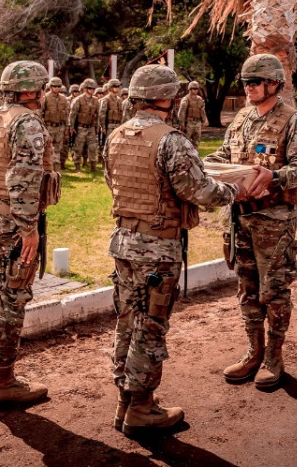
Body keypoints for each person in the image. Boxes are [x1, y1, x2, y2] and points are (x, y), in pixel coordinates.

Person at [105, 65, 244, 435]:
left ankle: (125, 401)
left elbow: (112, 182)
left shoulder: (116, 136)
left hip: (123, 242)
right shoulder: (172, 140)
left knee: (127, 322)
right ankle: (142, 408)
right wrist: (237, 190)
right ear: (168, 97)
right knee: (150, 326)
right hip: (157, 247)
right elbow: (199, 191)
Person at [206, 53, 297, 389]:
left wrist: (274, 176)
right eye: (247, 82)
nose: (249, 88)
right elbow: (225, 154)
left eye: (256, 82)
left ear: (275, 84)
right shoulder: (241, 118)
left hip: (274, 222)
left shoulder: (293, 121)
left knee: (275, 290)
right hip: (241, 218)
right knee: (247, 288)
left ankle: (274, 357)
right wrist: (206, 164)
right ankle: (254, 351)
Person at [0, 60, 58, 409]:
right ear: (32, 90)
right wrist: (27, 228)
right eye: (42, 88)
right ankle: (3, 381)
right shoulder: (26, 121)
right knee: (12, 298)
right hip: (12, 224)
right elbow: (23, 177)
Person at [69, 78, 100, 172]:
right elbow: (72, 114)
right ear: (85, 89)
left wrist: (97, 126)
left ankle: (93, 167)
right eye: (90, 88)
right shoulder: (78, 100)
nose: (92, 90)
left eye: (93, 89)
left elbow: (97, 115)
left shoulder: (96, 100)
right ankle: (77, 167)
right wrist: (71, 127)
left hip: (91, 128)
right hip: (80, 127)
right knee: (78, 147)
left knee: (92, 147)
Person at [41, 76, 70, 170]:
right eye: (54, 86)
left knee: (58, 149)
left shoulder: (64, 99)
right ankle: (46, 168)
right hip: (48, 127)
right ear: (51, 87)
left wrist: (66, 128)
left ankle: (56, 170)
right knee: (47, 148)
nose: (56, 88)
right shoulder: (46, 98)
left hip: (59, 128)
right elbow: (41, 113)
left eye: (58, 86)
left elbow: (66, 114)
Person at [176, 81, 209, 147]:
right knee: (186, 141)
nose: (196, 90)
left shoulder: (200, 99)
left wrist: (204, 120)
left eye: (197, 89)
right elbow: (182, 112)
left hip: (197, 122)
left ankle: (194, 154)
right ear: (190, 89)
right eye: (194, 89)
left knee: (196, 141)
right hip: (188, 122)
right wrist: (182, 124)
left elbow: (202, 110)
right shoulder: (185, 99)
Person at [98, 77, 126, 149]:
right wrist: (103, 127)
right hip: (109, 126)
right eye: (115, 86)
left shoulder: (119, 100)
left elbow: (122, 114)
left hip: (118, 125)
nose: (117, 88)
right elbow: (102, 114)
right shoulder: (106, 99)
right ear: (110, 87)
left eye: (118, 86)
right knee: (108, 145)